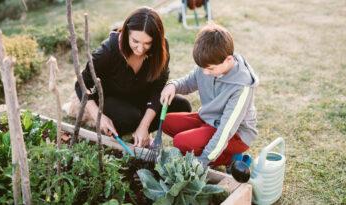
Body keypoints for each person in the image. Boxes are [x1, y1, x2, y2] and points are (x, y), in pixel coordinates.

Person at [73, 7, 191, 147]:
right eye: (135, 41)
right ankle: (127, 130)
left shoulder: (161, 47)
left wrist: (144, 125)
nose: (140, 49)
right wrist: (99, 117)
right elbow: (81, 84)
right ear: (126, 32)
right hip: (113, 102)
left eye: (147, 43)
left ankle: (139, 131)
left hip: (141, 99)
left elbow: (158, 87)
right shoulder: (107, 52)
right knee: (130, 117)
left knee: (182, 106)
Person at [160, 23, 258, 167]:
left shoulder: (242, 87)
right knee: (166, 121)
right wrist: (172, 85)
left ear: (228, 60)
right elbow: (189, 82)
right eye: (203, 68)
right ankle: (204, 142)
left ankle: (230, 158)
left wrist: (203, 161)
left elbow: (226, 130)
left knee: (181, 142)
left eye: (210, 69)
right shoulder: (209, 63)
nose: (205, 73)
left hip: (235, 134)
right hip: (209, 120)